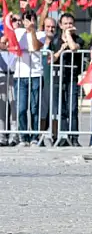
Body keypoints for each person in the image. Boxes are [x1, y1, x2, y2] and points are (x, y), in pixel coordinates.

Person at [12, 9, 46, 146]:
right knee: (21, 108)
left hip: (36, 75)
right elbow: (8, 41)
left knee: (34, 108)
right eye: (27, 19)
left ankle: (34, 137)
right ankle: (23, 137)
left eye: (32, 19)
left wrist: (32, 31)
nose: (29, 22)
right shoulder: (18, 32)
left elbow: (36, 47)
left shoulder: (40, 33)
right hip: (20, 75)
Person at [49, 12, 83, 146]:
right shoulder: (55, 40)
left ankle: (74, 138)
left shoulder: (78, 39)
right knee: (61, 109)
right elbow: (51, 59)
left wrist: (68, 35)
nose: (68, 26)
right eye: (65, 24)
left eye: (70, 23)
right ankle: (63, 137)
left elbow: (74, 48)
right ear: (60, 25)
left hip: (72, 77)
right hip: (58, 77)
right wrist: (61, 49)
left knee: (72, 108)